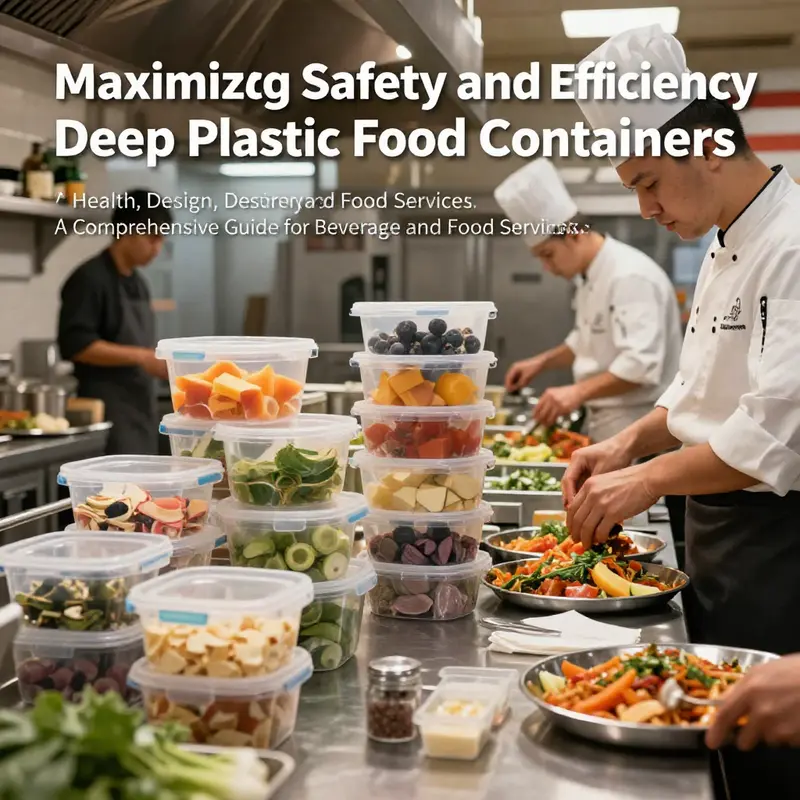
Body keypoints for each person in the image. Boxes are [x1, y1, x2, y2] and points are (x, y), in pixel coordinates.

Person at [562, 23, 800, 796]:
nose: (645, 205)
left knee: (770, 763)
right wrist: (626, 444)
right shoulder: (724, 245)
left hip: (774, 552)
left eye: (649, 180)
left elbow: (771, 436)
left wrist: (649, 480)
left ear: (707, 145)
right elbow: (696, 394)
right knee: (721, 749)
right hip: (717, 543)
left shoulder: (791, 245)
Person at [495, 158, 683, 443]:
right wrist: (541, 362)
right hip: (608, 424)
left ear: (573, 234)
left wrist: (576, 392)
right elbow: (586, 339)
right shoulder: (590, 276)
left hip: (638, 429)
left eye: (548, 254)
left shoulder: (629, 276)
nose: (548, 268)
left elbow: (641, 365)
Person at [58, 189, 171, 455]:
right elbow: (75, 345)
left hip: (141, 409)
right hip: (106, 415)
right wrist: (143, 358)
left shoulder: (138, 283)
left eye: (161, 239)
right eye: (152, 238)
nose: (158, 248)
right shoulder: (90, 279)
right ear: (128, 232)